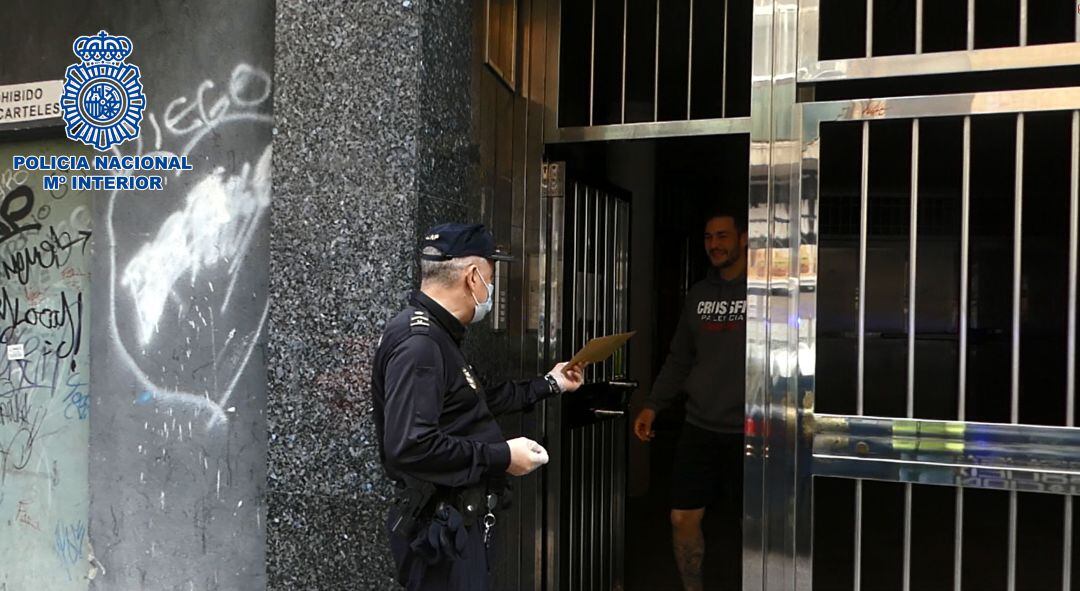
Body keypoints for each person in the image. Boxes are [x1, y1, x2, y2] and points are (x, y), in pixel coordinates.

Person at [372, 222, 585, 591]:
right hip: (438, 531)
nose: (492, 288)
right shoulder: (420, 344)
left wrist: (550, 384)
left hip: (454, 525)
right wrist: (502, 456)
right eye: (491, 276)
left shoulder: (436, 336)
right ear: (473, 277)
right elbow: (411, 445)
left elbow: (472, 400)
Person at [632, 211, 748, 591]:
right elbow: (680, 357)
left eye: (723, 236)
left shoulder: (764, 290)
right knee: (682, 518)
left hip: (752, 432)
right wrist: (653, 404)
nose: (714, 244)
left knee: (753, 524)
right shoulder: (698, 294)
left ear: (744, 239)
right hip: (700, 426)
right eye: (708, 237)